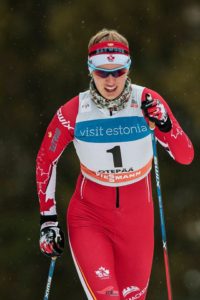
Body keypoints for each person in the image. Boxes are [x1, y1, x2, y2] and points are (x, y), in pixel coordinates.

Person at [36, 28, 194, 300]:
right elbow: (45, 160)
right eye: (102, 72)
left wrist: (166, 126)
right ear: (90, 70)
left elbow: (185, 155)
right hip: (90, 217)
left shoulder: (147, 102)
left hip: (137, 221)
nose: (110, 81)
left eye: (118, 72)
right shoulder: (73, 112)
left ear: (128, 69)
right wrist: (48, 221)